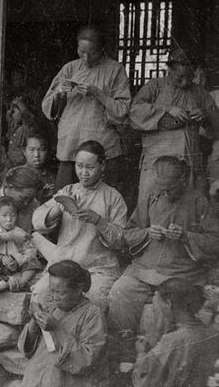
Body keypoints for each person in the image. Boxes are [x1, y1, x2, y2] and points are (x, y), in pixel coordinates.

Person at [107, 156, 219, 357]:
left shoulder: (199, 202)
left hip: (180, 273)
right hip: (144, 268)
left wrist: (187, 236)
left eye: (170, 189)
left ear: (183, 178)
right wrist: (147, 232)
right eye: (161, 188)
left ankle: (153, 358)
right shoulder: (151, 197)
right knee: (120, 290)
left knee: (163, 306)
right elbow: (128, 233)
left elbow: (215, 242)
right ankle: (125, 348)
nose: (164, 193)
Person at [30, 140, 128, 311]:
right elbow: (37, 221)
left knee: (92, 302)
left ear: (102, 166)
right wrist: (58, 208)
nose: (83, 173)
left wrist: (98, 220)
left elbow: (121, 241)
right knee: (40, 297)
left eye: (90, 167)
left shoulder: (113, 197)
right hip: (64, 266)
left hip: (97, 269)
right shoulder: (67, 191)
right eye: (79, 166)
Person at [41, 26, 131, 195]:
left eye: (92, 52)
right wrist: (59, 92)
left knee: (103, 199)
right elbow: (48, 107)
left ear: (101, 49)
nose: (86, 57)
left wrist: (98, 94)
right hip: (70, 145)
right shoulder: (70, 68)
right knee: (64, 198)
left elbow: (123, 109)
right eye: (81, 52)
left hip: (102, 146)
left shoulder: (115, 69)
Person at [129, 48, 219, 204]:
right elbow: (134, 111)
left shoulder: (199, 92)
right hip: (157, 159)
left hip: (187, 160)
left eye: (189, 78)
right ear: (169, 69)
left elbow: (216, 127)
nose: (184, 83)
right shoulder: (155, 86)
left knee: (185, 208)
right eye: (179, 78)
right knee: (150, 204)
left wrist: (204, 115)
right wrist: (166, 109)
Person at [18, 260, 107, 387]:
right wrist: (34, 321)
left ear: (78, 289)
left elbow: (86, 362)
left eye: (60, 292)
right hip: (35, 380)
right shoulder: (51, 307)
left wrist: (57, 328)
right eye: (52, 290)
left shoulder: (92, 314)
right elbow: (26, 350)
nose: (54, 297)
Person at [131, 277, 219, 387]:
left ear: (169, 304)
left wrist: (141, 354)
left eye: (158, 303)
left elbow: (143, 383)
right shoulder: (212, 333)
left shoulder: (172, 341)